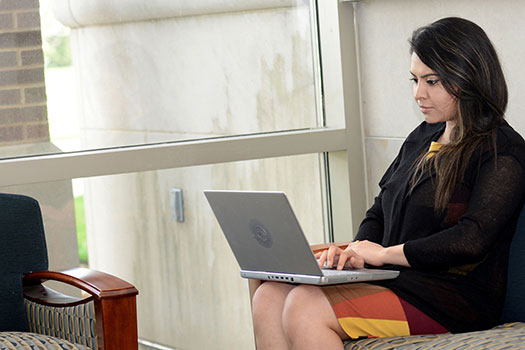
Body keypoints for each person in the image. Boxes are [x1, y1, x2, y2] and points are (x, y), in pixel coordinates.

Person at [251, 17, 525, 349]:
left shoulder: (502, 150)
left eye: (431, 81)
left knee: (305, 307)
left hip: (451, 298)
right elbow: (380, 209)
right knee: (268, 291)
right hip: (397, 279)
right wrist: (356, 252)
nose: (418, 94)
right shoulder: (423, 136)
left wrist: (384, 255)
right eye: (415, 80)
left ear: (468, 77)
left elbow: (471, 239)